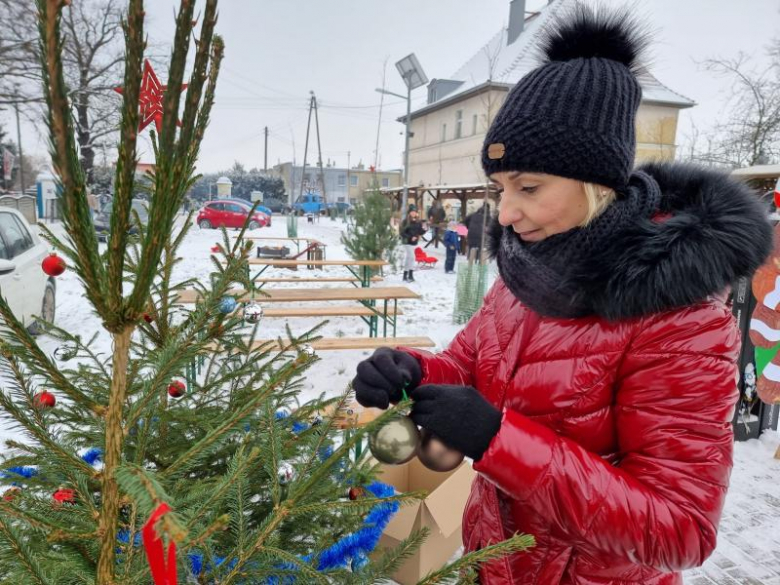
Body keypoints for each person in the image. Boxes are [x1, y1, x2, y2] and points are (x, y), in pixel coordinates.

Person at [352, 7, 773, 585]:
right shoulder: (527, 270)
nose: (506, 213)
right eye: (499, 188)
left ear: (597, 183)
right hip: (494, 566)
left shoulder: (679, 317)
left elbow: (680, 529)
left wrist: (497, 440)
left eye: (529, 188)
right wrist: (414, 372)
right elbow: (471, 366)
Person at [399, 209, 426, 282]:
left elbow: (420, 232)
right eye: (412, 212)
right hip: (407, 242)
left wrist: (424, 229)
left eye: (415, 212)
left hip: (414, 243)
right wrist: (410, 237)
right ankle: (410, 275)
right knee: (412, 257)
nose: (413, 213)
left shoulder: (418, 222)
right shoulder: (405, 221)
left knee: (409, 258)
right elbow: (402, 232)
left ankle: (405, 275)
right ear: (409, 213)